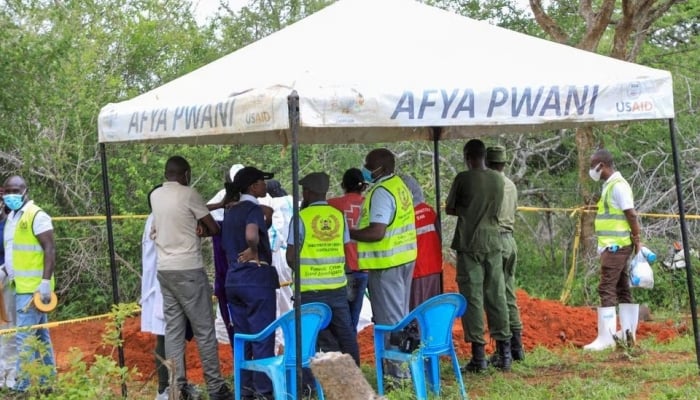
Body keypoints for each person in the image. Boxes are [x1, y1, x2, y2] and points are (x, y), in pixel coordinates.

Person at [149, 156, 232, 400]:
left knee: (174, 331)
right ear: (185, 174)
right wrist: (202, 230)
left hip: (165, 270)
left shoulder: (155, 196)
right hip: (188, 269)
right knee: (204, 329)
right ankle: (216, 387)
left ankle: (176, 388)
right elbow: (213, 228)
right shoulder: (189, 193)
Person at [286, 172, 361, 391]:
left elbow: (291, 257)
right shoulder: (338, 216)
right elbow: (345, 247)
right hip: (337, 287)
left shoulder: (300, 218)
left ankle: (309, 387)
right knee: (345, 334)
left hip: (310, 290)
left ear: (308, 192)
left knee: (310, 337)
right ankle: (353, 384)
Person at [350, 148, 417, 382]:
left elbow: (377, 232)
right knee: (399, 315)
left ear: (382, 168)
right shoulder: (399, 185)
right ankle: (402, 370)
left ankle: (398, 377)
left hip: (386, 263)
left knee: (390, 321)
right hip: (404, 259)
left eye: (369, 165)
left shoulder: (380, 192)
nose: (366, 169)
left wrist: (350, 233)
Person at [446, 139, 512, 373]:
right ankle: (504, 353)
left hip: (469, 242)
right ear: (484, 156)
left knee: (473, 296)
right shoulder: (498, 178)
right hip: (493, 240)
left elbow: (449, 208)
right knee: (496, 293)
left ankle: (479, 357)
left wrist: (468, 209)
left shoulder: (463, 179)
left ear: (467, 156)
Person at [222, 166, 279, 400]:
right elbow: (251, 234)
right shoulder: (252, 209)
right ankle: (264, 392)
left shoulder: (230, 211)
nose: (265, 186)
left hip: (233, 280)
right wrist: (254, 250)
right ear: (253, 186)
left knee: (243, 337)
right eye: (262, 182)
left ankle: (244, 391)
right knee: (263, 336)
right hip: (255, 279)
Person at [2, 175, 57, 392]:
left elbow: (50, 250)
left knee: (24, 338)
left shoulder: (37, 216)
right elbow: (15, 252)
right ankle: (47, 383)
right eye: (7, 191)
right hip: (21, 286)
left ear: (26, 191)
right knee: (41, 337)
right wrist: (5, 270)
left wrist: (45, 283)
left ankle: (22, 388)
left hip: (34, 289)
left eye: (15, 190)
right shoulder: (13, 217)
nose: (11, 195)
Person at [584, 148, 642, 351]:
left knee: (606, 287)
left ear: (602, 165)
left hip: (616, 246)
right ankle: (627, 334)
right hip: (613, 245)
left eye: (593, 166)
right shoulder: (610, 185)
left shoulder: (618, 186)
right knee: (622, 287)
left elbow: (631, 215)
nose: (591, 170)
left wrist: (637, 240)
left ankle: (606, 338)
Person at [486, 146, 525, 362]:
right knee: (509, 293)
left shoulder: (489, 184)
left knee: (495, 296)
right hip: (510, 240)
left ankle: (504, 351)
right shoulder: (511, 184)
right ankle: (517, 348)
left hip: (495, 241)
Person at [327, 168, 369, 333]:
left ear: (343, 184)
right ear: (362, 186)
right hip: (364, 266)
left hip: (341, 268)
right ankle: (350, 349)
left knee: (338, 314)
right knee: (353, 315)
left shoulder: (332, 204)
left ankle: (340, 350)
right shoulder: (369, 203)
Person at [207, 163, 244, 345]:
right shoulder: (221, 198)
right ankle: (234, 342)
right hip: (227, 263)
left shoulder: (251, 200)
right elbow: (203, 212)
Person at [399, 174, 442, 310]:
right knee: (433, 310)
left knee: (417, 313)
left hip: (416, 271)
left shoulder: (405, 216)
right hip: (434, 269)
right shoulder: (430, 211)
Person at [262, 179, 294, 354]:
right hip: (290, 252)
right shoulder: (292, 200)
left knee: (276, 297)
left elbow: (274, 233)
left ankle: (280, 342)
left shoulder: (274, 204)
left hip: (277, 254)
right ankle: (290, 337)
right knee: (287, 296)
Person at [0, 189, 19, 391]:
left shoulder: (10, 222)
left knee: (7, 329)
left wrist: (4, 271)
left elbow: (14, 252)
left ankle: (9, 375)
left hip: (5, 279)